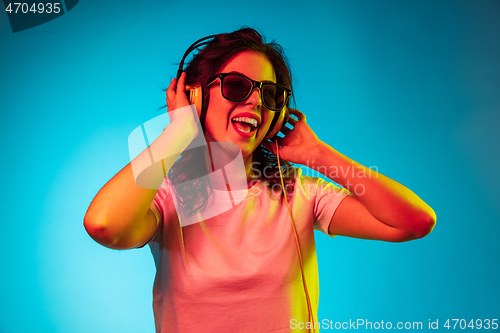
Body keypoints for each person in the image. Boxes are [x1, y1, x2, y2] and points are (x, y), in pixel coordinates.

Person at [84, 27, 436, 333]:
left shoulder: (298, 191)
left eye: (270, 95)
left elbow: (414, 222)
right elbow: (104, 225)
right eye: (237, 86)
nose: (255, 101)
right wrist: (179, 132)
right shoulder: (165, 196)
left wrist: (319, 155)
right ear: (195, 95)